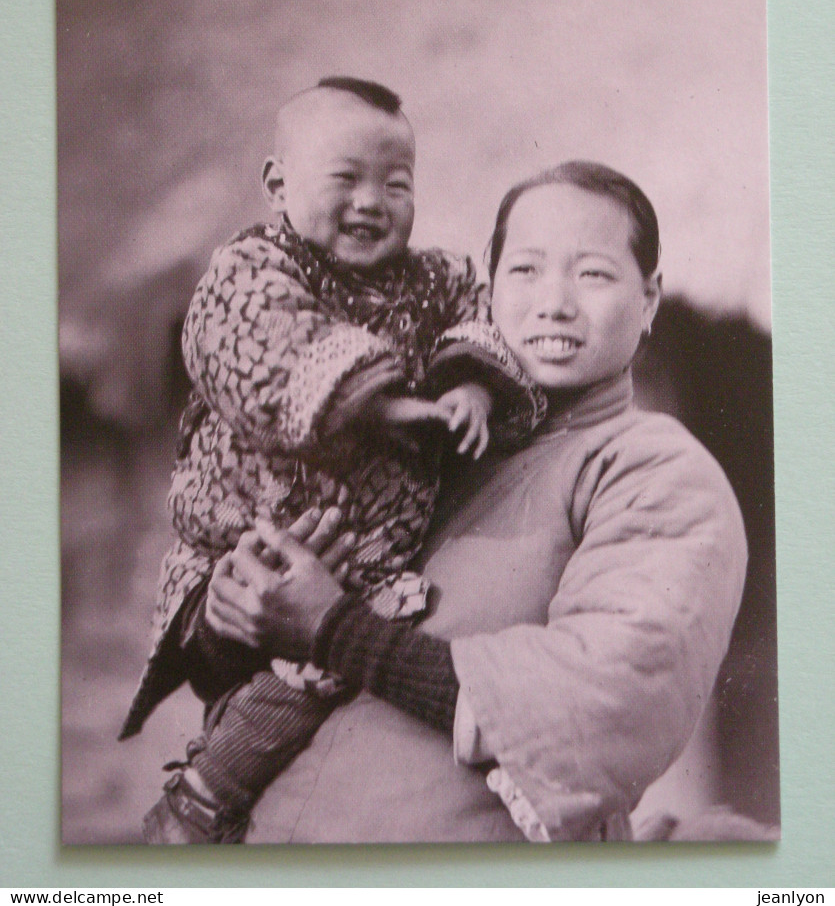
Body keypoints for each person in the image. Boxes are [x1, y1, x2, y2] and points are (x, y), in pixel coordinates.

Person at [200, 160, 749, 843]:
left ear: (649, 299)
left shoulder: (654, 468)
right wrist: (236, 615)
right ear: (488, 289)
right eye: (524, 270)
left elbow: (605, 696)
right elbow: (288, 658)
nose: (554, 302)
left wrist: (336, 628)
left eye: (593, 274)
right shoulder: (434, 445)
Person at [122, 76, 542, 844]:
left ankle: (214, 797)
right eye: (344, 178)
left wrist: (472, 384)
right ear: (278, 184)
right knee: (276, 654)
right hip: (243, 530)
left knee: (318, 671)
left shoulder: (432, 279)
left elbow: (477, 312)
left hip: (363, 557)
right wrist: (373, 400)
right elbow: (248, 336)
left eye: (396, 183)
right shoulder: (251, 266)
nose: (370, 201)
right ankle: (198, 798)